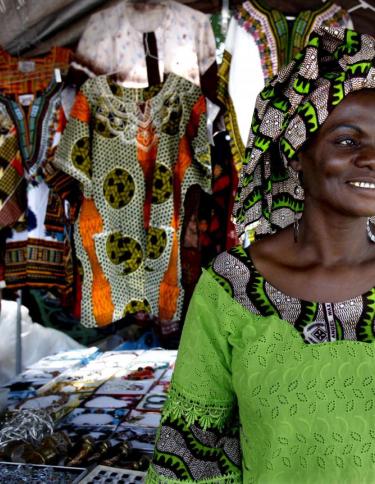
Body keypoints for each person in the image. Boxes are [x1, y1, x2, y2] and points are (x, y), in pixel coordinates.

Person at [146, 26, 375, 483]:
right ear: (295, 152)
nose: (372, 158)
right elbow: (195, 455)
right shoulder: (230, 288)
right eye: (348, 141)